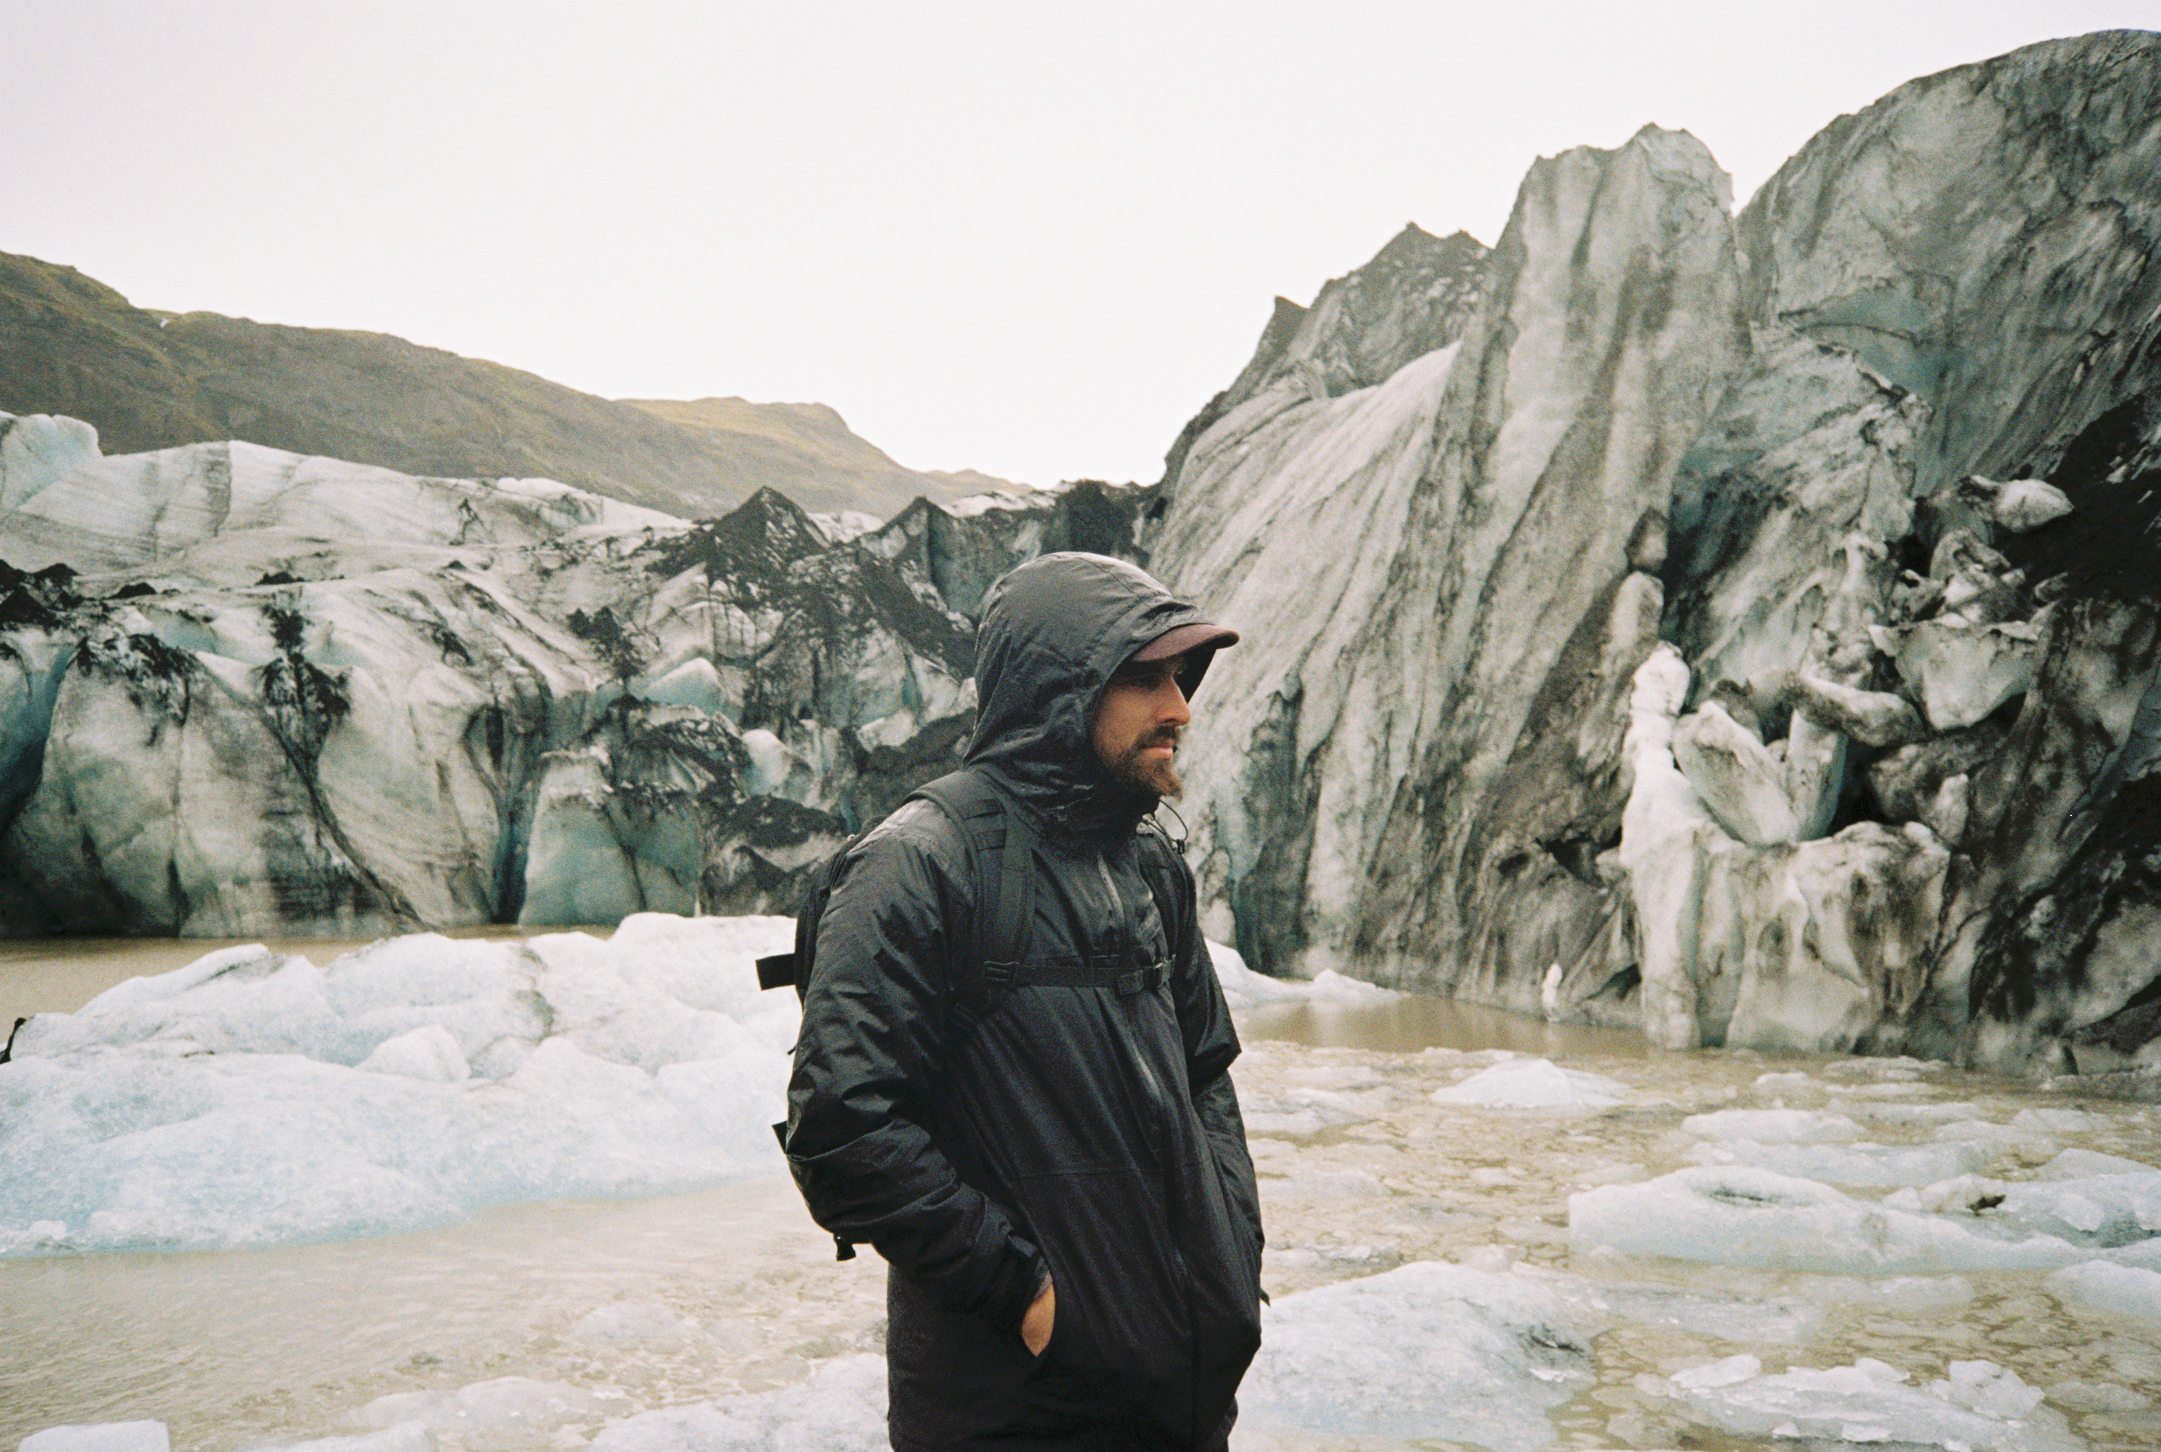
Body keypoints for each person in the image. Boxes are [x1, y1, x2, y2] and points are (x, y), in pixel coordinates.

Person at [781, 551, 1265, 1452]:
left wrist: (1231, 1248)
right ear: (1058, 691)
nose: (1179, 709)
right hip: (1016, 1410)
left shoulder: (1149, 863)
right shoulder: (921, 864)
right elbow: (844, 1130)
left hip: (1180, 1397)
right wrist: (1028, 1296)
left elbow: (1205, 1075)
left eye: (1180, 677)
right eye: (1143, 678)